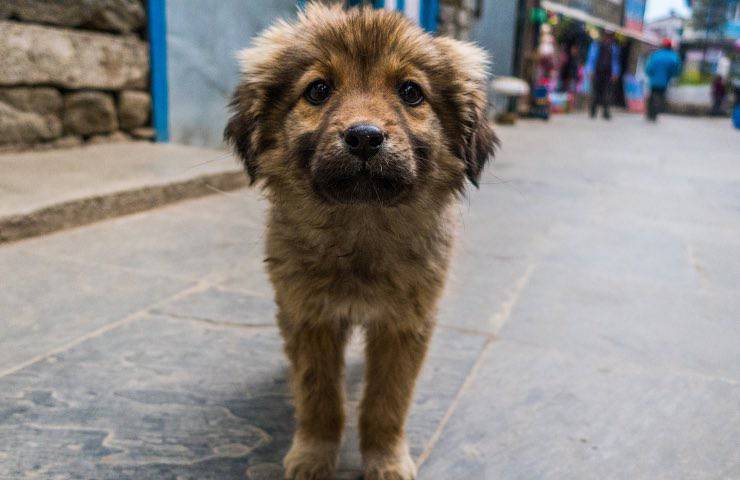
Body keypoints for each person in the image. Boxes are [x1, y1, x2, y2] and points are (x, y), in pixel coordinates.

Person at [585, 30, 621, 119]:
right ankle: (593, 111)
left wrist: (615, 73)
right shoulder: (596, 45)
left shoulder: (614, 47)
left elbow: (615, 61)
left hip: (608, 74)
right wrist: (590, 70)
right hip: (597, 72)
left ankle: (606, 112)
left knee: (607, 93)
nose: (608, 38)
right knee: (595, 92)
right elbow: (591, 58)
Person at [645, 38, 681, 121]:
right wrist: (670, 76)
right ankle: (655, 113)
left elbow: (649, 68)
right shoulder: (674, 57)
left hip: (653, 81)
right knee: (660, 97)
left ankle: (650, 113)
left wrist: (650, 74)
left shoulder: (656, 54)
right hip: (664, 81)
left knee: (652, 95)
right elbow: (676, 70)